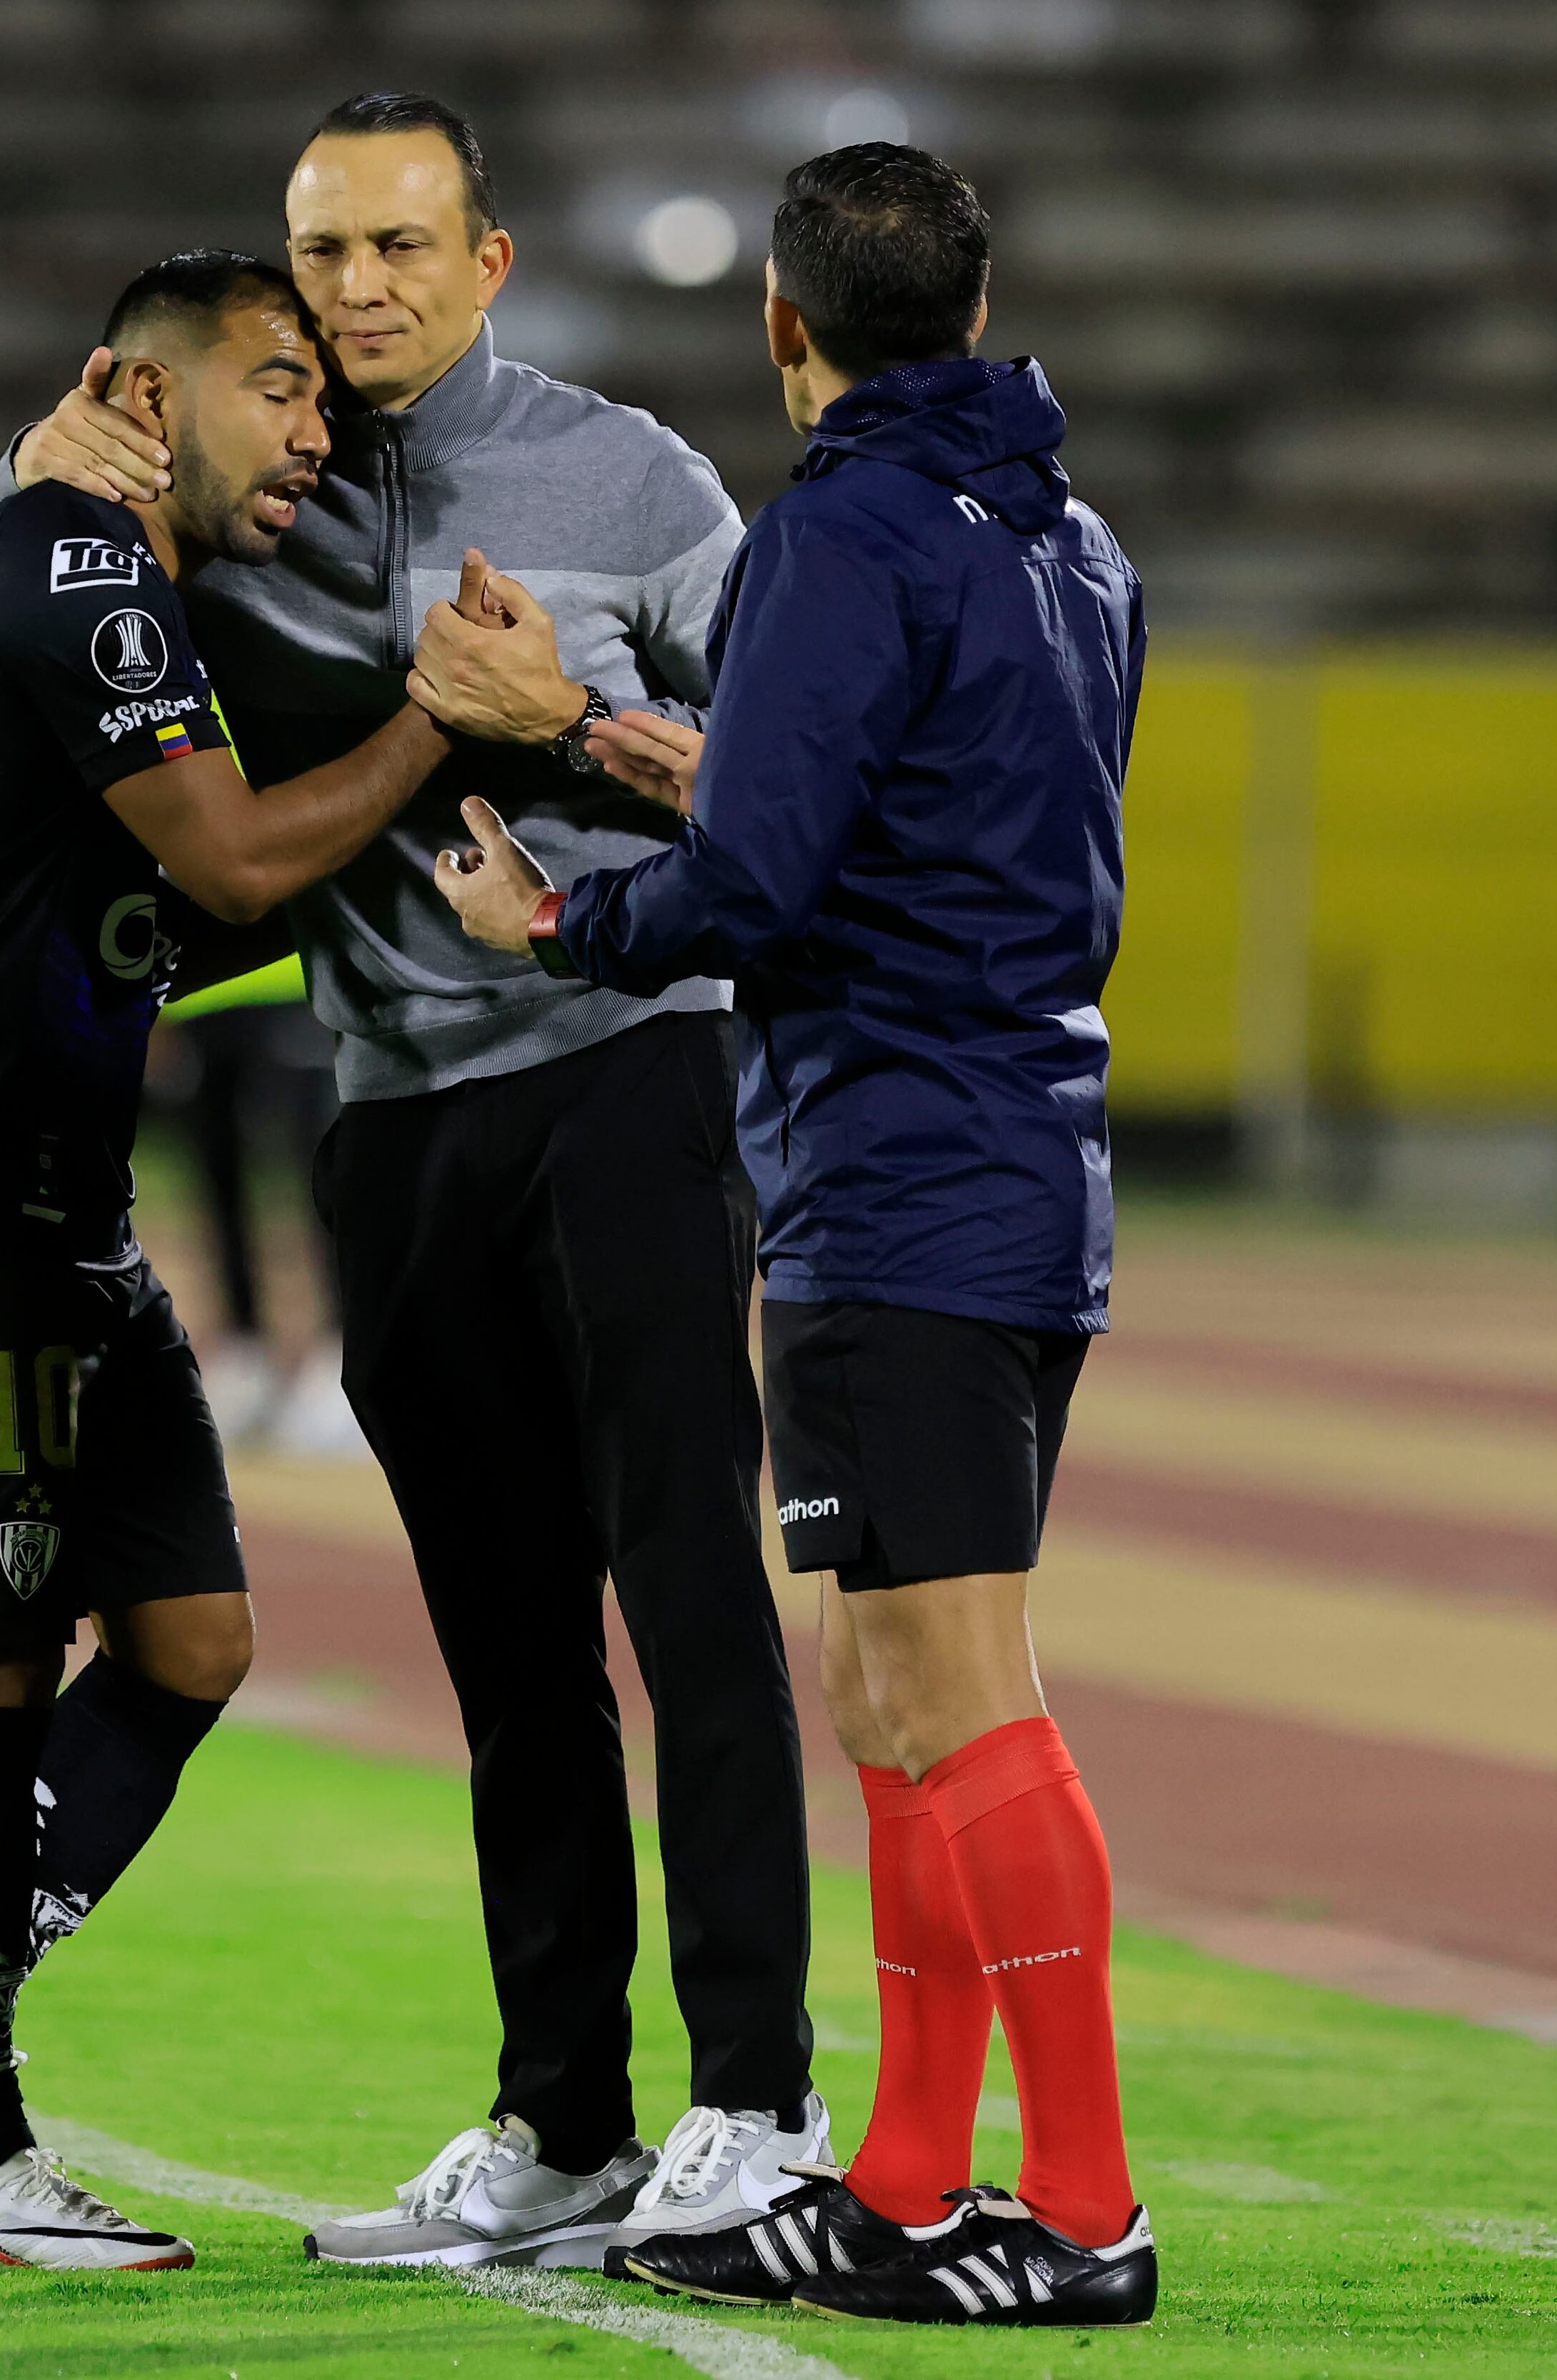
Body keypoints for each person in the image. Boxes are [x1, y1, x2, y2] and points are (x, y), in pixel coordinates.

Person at [0, 92, 821, 2269]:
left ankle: (756, 2103)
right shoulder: (234, 476)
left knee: (692, 1605)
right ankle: (560, 2120)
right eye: (323, 251)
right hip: (392, 1118)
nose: (357, 289)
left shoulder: (625, 473)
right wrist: (28, 461)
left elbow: (789, 785)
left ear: (489, 265)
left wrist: (563, 729)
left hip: (625, 1084)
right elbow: (17, 615)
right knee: (506, 1652)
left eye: (398, 247)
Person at [433, 144, 1157, 2327]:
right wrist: (618, 746)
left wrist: (552, 914)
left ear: (782, 325)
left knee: (955, 1690)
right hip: (1002, 1144)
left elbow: (758, 889)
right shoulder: (1069, 535)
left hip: (904, 1162)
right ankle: (913, 2180)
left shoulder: (839, 525)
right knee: (883, 1689)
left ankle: (1087, 2212)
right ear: (973, 299)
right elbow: (887, 822)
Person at [0, 249, 455, 2269]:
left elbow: (155, 915)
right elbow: (235, 858)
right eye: (279, 383)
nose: (316, 429)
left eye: (325, 399)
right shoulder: (79, 565)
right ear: (138, 394)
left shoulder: (87, 564)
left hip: (62, 1206)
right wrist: (447, 723)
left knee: (189, 1642)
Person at [150, 955, 364, 1455]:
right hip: (201, 991)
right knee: (216, 1174)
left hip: (295, 975)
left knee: (315, 1165)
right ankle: (245, 1355)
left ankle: (337, 1355)